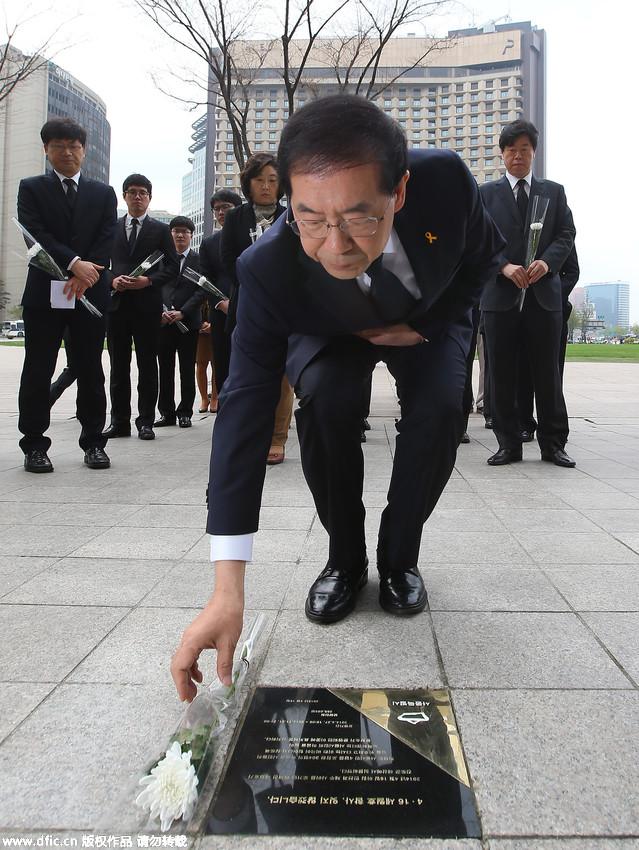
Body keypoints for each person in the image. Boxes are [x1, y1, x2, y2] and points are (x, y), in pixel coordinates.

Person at [170, 95, 504, 700]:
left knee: (439, 409)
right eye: (310, 218)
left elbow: (483, 256)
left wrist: (427, 327)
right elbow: (242, 411)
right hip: (327, 325)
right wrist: (227, 588)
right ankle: (345, 560)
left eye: (360, 216)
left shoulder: (446, 182)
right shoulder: (268, 267)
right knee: (324, 399)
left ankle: (400, 557)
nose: (336, 244)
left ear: (398, 192)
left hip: (426, 315)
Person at [17, 117, 117, 473]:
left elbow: (108, 236)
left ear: (85, 151)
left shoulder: (103, 193)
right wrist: (74, 263)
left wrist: (87, 274)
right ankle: (34, 445)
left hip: (90, 293)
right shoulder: (31, 188)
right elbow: (33, 232)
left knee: (90, 368)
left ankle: (93, 442)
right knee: (37, 367)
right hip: (45, 293)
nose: (68, 152)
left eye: (74, 146)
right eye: (59, 146)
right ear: (46, 149)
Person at [480, 119, 576, 468]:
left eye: (524, 149)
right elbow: (478, 241)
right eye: (511, 150)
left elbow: (566, 234)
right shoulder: (485, 194)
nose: (517, 156)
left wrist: (546, 264)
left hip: (543, 298)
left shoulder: (553, 192)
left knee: (547, 374)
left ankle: (553, 444)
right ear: (502, 155)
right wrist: (504, 267)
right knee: (501, 375)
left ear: (534, 153)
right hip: (500, 299)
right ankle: (508, 443)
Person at [221, 154, 294, 466]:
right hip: (247, 304)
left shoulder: (290, 215)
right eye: (260, 180)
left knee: (282, 377)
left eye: (272, 180)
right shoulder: (236, 218)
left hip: (282, 305)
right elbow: (227, 260)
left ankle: (277, 437)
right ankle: (250, 432)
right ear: (248, 184)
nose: (266, 186)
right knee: (245, 373)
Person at [103, 174, 179, 441]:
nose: (137, 197)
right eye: (132, 192)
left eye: (142, 193)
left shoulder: (160, 230)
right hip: (117, 306)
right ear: (124, 196)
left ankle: (145, 421)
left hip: (147, 306)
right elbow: (99, 263)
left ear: (149, 198)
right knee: (118, 366)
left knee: (148, 365)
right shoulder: (110, 228)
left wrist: (148, 280)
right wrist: (113, 281)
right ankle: (119, 421)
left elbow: (172, 266)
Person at [516, 245, 581, 440]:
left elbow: (572, 272)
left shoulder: (559, 234)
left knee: (551, 374)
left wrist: (552, 293)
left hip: (552, 312)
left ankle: (552, 429)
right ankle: (523, 424)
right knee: (521, 372)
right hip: (519, 309)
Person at [154, 216, 205, 428]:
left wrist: (183, 312)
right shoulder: (161, 259)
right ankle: (166, 413)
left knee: (186, 368)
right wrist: (161, 310)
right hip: (164, 322)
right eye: (176, 231)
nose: (180, 235)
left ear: (191, 235)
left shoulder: (199, 260)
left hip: (188, 323)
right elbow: (154, 286)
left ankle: (185, 412)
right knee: (164, 369)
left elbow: (202, 290)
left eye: (185, 231)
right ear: (170, 234)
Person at [198, 189, 243, 400]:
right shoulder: (208, 243)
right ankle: (226, 409)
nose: (221, 212)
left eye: (226, 207)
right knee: (223, 361)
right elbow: (205, 279)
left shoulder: (251, 236)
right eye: (217, 209)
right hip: (221, 311)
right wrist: (220, 303)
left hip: (251, 307)